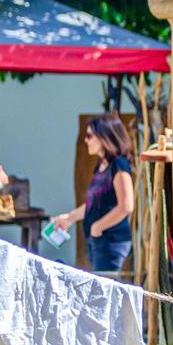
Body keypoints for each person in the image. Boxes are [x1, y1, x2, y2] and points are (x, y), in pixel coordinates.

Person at [50, 112, 135, 273]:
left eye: (90, 135)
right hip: (98, 241)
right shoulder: (102, 165)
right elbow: (93, 204)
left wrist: (98, 227)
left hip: (111, 241)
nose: (86, 140)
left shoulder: (118, 164)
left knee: (104, 293)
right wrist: (68, 218)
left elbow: (126, 206)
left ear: (104, 137)